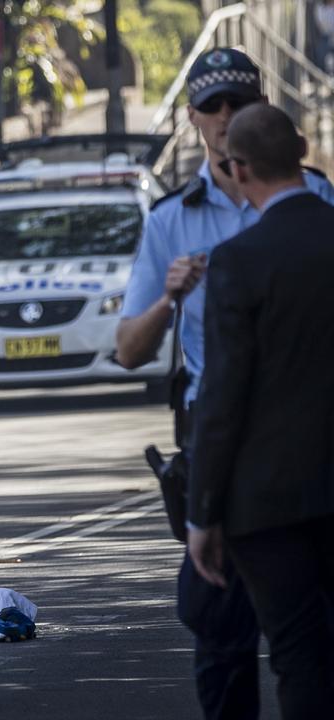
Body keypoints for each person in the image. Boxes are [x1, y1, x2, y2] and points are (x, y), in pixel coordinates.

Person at [114, 47, 334, 720]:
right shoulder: (171, 220)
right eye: (211, 105)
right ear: (194, 118)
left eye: (238, 102)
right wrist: (168, 300)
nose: (224, 116)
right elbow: (128, 350)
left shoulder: (317, 200)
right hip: (228, 453)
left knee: (311, 644)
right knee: (223, 637)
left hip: (307, 448)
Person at [187, 103, 334, 720]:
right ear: (301, 153)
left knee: (301, 655)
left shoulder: (239, 261)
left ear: (239, 170)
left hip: (266, 505)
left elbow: (223, 396)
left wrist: (204, 514)